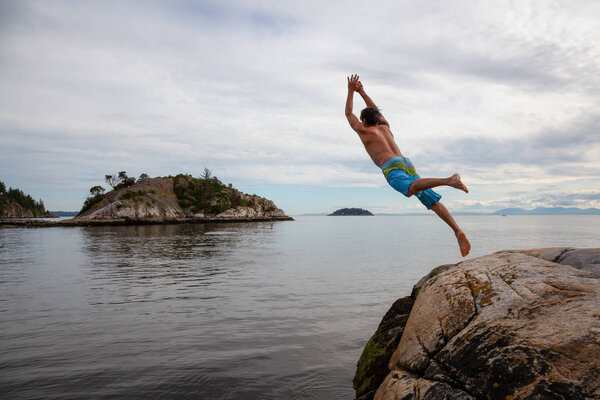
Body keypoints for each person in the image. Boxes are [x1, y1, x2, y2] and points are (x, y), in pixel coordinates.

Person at [345, 74, 471, 256]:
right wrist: (362, 92)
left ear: (364, 121)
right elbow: (373, 110)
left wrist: (350, 91)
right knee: (431, 201)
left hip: (391, 166)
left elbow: (349, 114)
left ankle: (448, 180)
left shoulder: (363, 130)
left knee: (411, 189)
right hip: (406, 163)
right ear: (378, 118)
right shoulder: (385, 126)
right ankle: (457, 230)